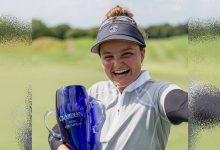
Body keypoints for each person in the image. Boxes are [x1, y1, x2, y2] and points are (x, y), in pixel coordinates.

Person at [48, 5, 220, 150]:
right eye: (108, 57)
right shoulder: (95, 92)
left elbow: (185, 104)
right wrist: (60, 146)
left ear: (142, 54)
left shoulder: (157, 93)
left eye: (126, 54)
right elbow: (57, 132)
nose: (117, 64)